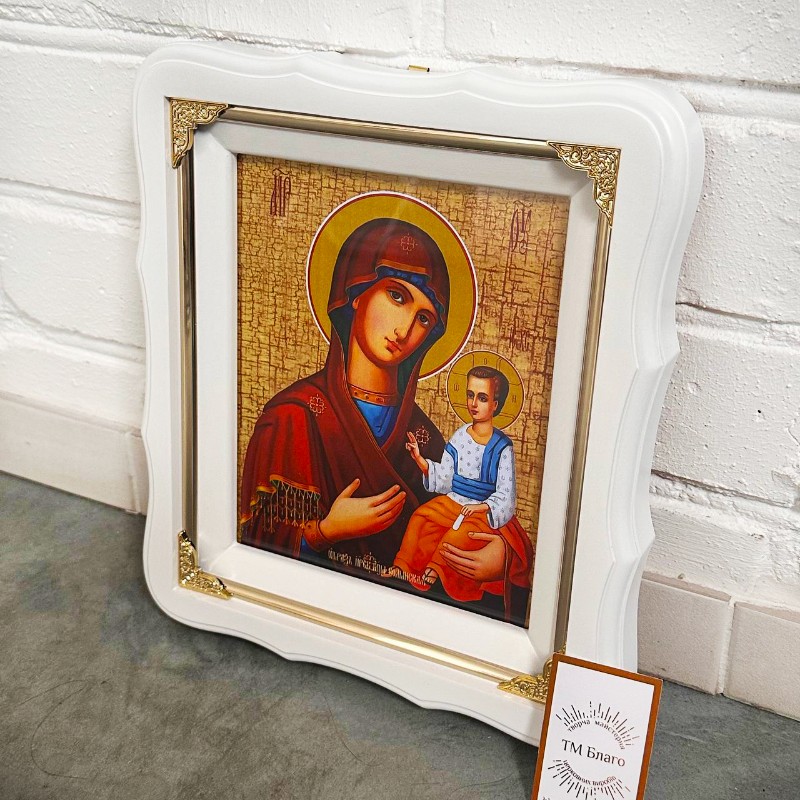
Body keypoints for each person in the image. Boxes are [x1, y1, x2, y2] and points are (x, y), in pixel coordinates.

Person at [239, 214, 510, 600]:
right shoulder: (290, 418)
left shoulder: (425, 439)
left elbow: (463, 523)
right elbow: (251, 551)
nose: (405, 330)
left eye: (423, 318)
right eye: (396, 296)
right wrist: (325, 532)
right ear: (357, 292)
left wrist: (502, 560)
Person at [388, 366, 532, 618]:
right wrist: (420, 459)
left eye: (482, 398)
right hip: (454, 502)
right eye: (470, 395)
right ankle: (402, 567)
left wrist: (482, 507)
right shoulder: (459, 437)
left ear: (495, 405)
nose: (474, 403)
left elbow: (506, 494)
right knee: (422, 517)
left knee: (459, 534)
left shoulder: (502, 447)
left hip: (483, 511)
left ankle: (432, 574)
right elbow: (445, 478)